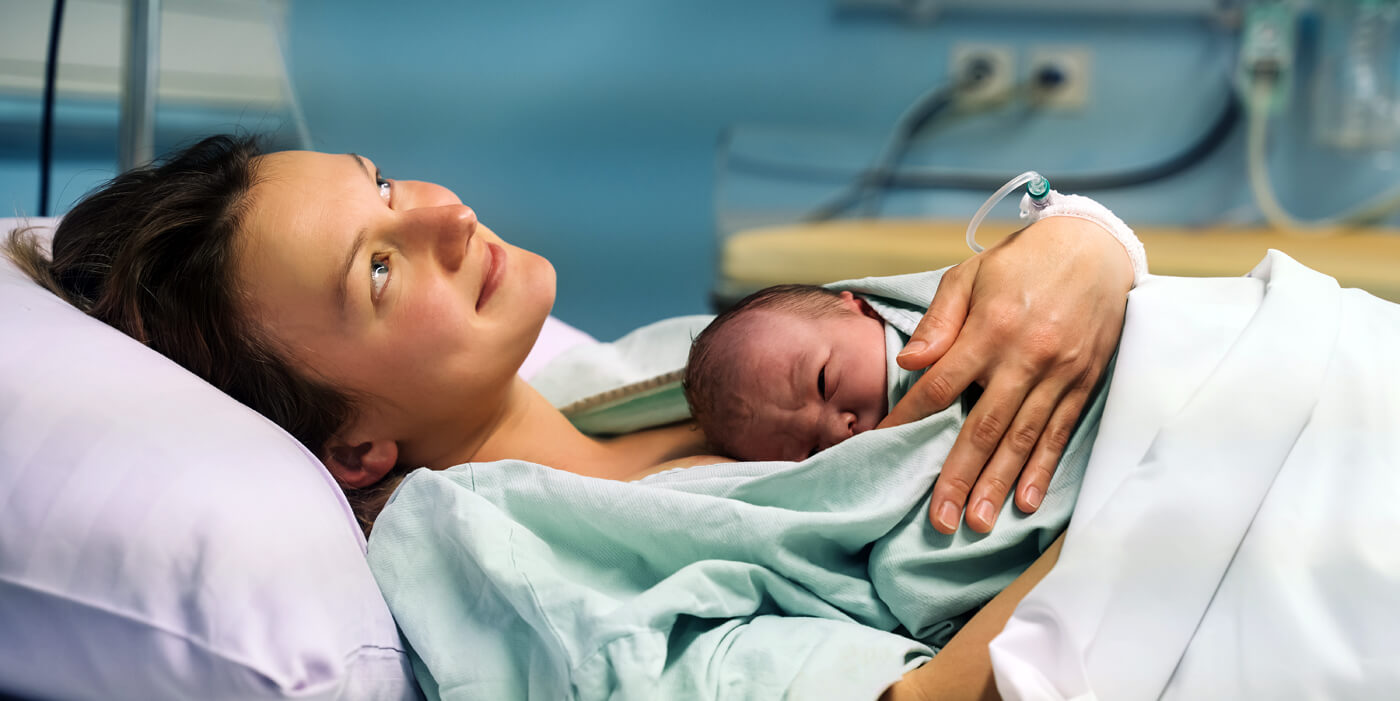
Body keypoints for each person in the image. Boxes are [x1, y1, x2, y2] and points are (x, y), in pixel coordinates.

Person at [3, 134, 1136, 698]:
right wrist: (1153, 471)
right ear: (352, 445)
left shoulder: (627, 376)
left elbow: (979, 318)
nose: (448, 215)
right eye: (381, 272)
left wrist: (1083, 244)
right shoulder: (499, 566)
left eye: (388, 188)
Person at [682, 283, 911, 462]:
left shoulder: (926, 316)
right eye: (814, 452)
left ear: (863, 309)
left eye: (823, 383)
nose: (838, 432)